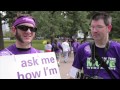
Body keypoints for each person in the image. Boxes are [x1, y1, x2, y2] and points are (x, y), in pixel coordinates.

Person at [69, 12, 120, 79]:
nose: (94, 30)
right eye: (92, 27)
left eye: (99, 27)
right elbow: (73, 75)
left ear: (109, 28)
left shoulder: (118, 49)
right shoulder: (82, 49)